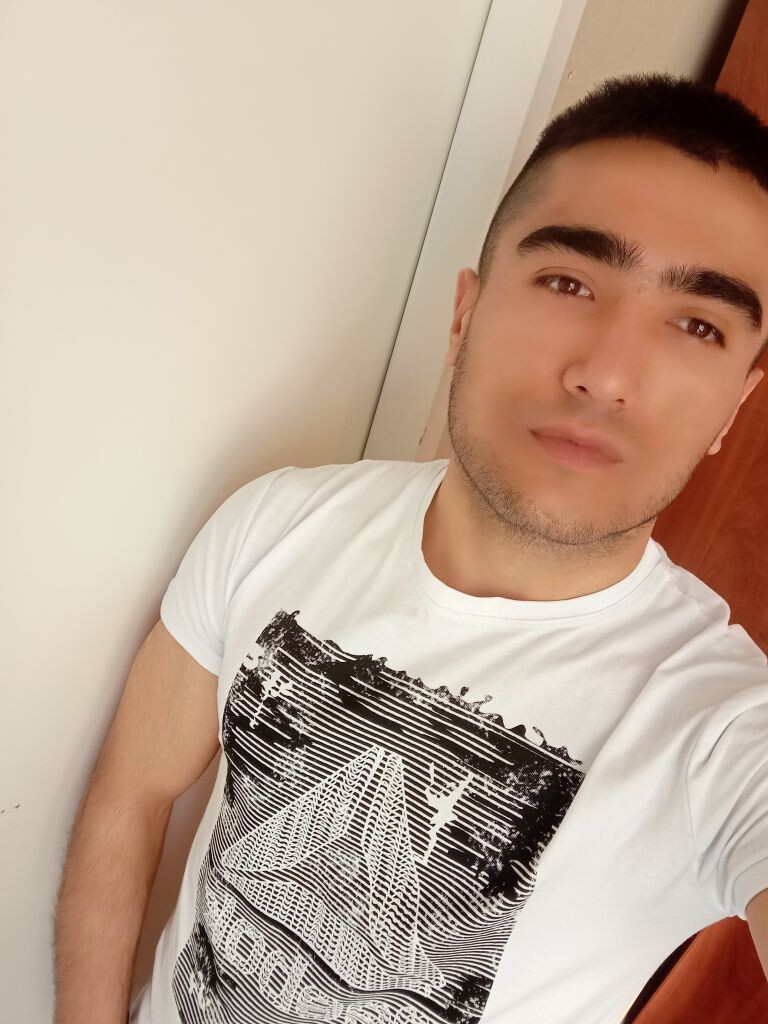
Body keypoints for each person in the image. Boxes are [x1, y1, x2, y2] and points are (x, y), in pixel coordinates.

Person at [54, 72, 768, 1024]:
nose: (606, 374)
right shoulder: (275, 523)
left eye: (697, 325)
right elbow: (132, 792)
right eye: (568, 282)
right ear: (464, 315)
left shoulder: (721, 726)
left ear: (735, 407)